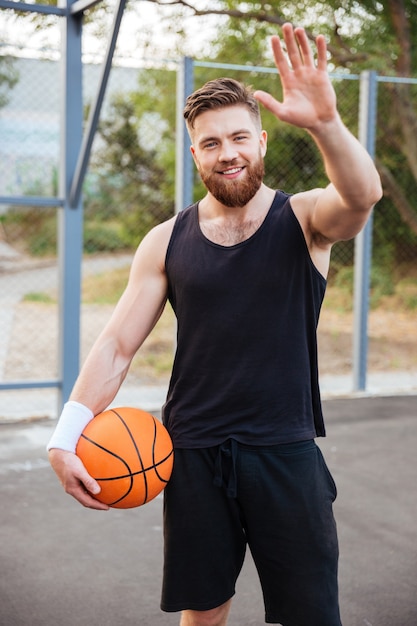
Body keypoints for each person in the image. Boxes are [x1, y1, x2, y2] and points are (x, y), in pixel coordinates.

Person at [48, 23, 382, 626]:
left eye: (238, 138)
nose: (227, 152)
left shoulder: (303, 219)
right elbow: (118, 345)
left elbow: (360, 198)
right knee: (202, 614)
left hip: (285, 449)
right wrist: (64, 435)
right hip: (193, 452)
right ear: (194, 152)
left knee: (311, 614)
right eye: (210, 143)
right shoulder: (165, 240)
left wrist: (326, 124)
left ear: (260, 140)